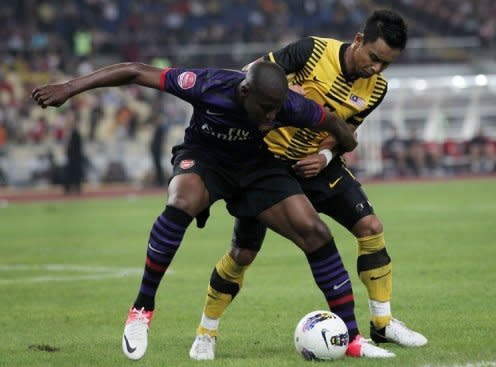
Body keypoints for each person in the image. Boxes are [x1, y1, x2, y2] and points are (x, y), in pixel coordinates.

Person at [31, 61, 367, 361]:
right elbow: (135, 71)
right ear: (245, 90)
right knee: (181, 202)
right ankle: (142, 308)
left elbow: (334, 123)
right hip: (205, 160)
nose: (271, 117)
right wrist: (69, 88)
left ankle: (352, 338)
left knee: (315, 232)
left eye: (276, 110)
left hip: (255, 168)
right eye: (265, 108)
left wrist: (342, 146)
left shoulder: (290, 106)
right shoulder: (207, 84)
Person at [190, 9, 427, 361]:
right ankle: (205, 333)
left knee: (370, 226)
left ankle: (383, 322)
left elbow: (346, 132)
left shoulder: (376, 88)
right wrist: (284, 87)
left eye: (386, 64)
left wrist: (326, 157)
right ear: (359, 40)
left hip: (315, 163)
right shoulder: (312, 51)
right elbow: (250, 76)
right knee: (243, 254)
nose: (376, 68)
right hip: (266, 163)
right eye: (374, 58)